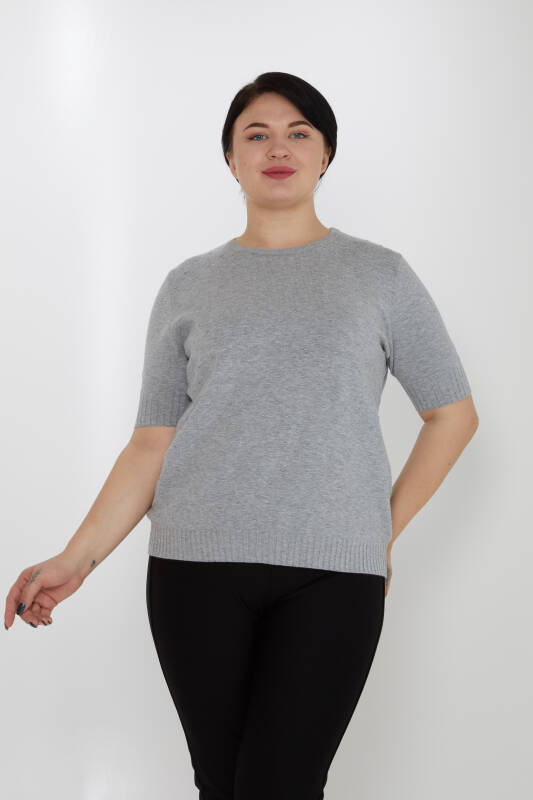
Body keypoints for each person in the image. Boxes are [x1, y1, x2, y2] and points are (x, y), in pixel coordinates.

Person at [4, 71, 479, 798]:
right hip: (194, 569)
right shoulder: (188, 284)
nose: (277, 148)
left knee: (280, 782)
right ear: (230, 159)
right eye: (256, 135)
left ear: (325, 154)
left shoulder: (380, 275)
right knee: (222, 784)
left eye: (298, 133)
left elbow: (452, 414)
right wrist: (78, 558)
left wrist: (380, 529)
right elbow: (152, 442)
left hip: (333, 573)